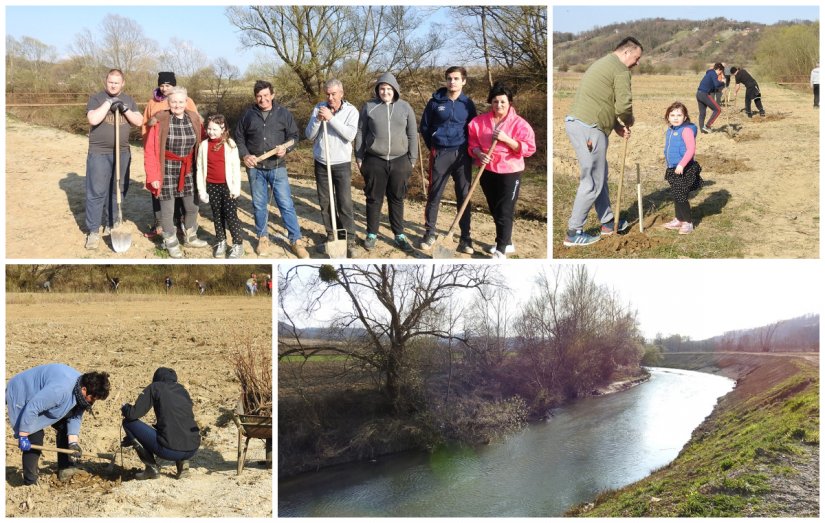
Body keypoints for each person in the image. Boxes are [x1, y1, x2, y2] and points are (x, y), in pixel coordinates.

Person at [563, 37, 642, 247]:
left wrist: (615, 125)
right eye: (636, 58)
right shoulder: (620, 70)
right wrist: (627, 120)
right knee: (592, 181)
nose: (637, 63)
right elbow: (624, 105)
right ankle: (574, 232)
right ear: (626, 53)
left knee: (600, 176)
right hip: (589, 128)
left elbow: (601, 101)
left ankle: (607, 222)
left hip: (583, 124)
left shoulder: (603, 63)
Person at [234, 80, 309, 259]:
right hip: (255, 168)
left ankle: (296, 240)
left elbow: (294, 136)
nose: (263, 99)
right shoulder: (248, 115)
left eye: (266, 95)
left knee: (286, 204)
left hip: (277, 167)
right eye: (259, 96)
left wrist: (286, 148)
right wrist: (245, 156)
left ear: (272, 95)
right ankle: (263, 238)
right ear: (255, 97)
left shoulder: (284, 114)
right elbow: (239, 138)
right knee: (259, 205)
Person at [6, 364, 110, 485]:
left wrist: (73, 443)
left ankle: (65, 468)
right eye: (92, 398)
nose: (92, 402)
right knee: (35, 437)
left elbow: (75, 416)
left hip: (44, 398)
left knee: (64, 428)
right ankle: (30, 481)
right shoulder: (60, 390)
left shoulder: (81, 393)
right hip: (24, 393)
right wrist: (23, 435)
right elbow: (32, 408)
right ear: (84, 390)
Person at [467, 83, 536, 259]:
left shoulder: (520, 124)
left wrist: (507, 140)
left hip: (510, 172)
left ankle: (501, 250)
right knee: (496, 209)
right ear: (491, 102)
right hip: (487, 170)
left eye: (503, 102)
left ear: (510, 102)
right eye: (495, 101)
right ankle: (507, 241)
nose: (499, 105)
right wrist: (478, 153)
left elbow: (529, 148)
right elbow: (472, 143)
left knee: (505, 210)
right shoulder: (478, 122)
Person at [354, 72, 419, 253]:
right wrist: (359, 157)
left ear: (395, 90)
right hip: (375, 160)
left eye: (389, 88)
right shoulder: (369, 107)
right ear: (377, 90)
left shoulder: (406, 108)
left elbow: (413, 134)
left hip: (400, 160)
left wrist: (412, 160)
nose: (385, 92)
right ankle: (372, 233)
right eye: (382, 88)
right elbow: (360, 132)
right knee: (374, 198)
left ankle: (398, 234)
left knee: (397, 198)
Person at [418, 66, 478, 254]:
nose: (452, 82)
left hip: (462, 155)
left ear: (464, 81)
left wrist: (470, 150)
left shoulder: (468, 104)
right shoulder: (435, 102)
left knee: (464, 196)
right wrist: (435, 145)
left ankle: (465, 239)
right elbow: (425, 127)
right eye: (449, 78)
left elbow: (473, 128)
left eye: (456, 78)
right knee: (434, 194)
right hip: (440, 153)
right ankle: (430, 233)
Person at [144, 87, 208, 258]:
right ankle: (170, 240)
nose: (177, 105)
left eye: (181, 101)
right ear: (168, 103)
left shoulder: (194, 118)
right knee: (167, 209)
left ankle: (190, 236)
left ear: (186, 102)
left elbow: (203, 144)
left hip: (189, 168)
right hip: (166, 169)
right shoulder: (160, 120)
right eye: (174, 101)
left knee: (192, 206)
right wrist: (153, 176)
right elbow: (150, 150)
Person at [84, 68, 143, 250]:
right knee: (97, 192)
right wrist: (109, 103)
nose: (113, 85)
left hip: (122, 152)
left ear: (122, 83)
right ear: (106, 81)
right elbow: (93, 119)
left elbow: (139, 121)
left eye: (117, 82)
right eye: (111, 81)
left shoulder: (129, 100)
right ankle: (93, 231)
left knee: (118, 190)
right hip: (99, 153)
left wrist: (124, 108)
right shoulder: (96, 98)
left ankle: (113, 224)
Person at [305, 79, 359, 257]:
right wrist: (319, 121)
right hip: (322, 162)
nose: (330, 98)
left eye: (333, 94)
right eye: (327, 94)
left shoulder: (351, 111)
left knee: (344, 202)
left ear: (341, 94)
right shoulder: (318, 108)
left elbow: (350, 135)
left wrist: (331, 119)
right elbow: (309, 135)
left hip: (341, 163)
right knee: (325, 202)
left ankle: (349, 238)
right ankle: (331, 235)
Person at [141, 72, 198, 239]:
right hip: (164, 161)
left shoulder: (191, 112)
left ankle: (184, 227)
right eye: (162, 85)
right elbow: (146, 127)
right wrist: (149, 145)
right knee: (164, 202)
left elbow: (199, 134)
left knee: (187, 203)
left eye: (168, 85)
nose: (164, 88)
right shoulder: (155, 107)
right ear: (169, 102)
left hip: (186, 165)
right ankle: (163, 228)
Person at [121, 367, 200, 480]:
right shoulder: (182, 390)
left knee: (128, 423)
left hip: (170, 451)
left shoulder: (155, 387)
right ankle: (183, 465)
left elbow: (133, 414)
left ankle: (151, 469)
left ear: (156, 379)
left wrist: (125, 408)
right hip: (192, 449)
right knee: (180, 427)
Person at [196, 114, 244, 259]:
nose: (211, 132)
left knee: (230, 216)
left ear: (223, 129)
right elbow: (200, 168)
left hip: (227, 187)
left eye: (214, 129)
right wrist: (202, 190)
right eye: (209, 128)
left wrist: (236, 188)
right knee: (217, 215)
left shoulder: (230, 144)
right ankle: (221, 241)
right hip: (212, 186)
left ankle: (237, 244)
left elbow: (236, 169)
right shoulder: (204, 145)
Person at [662, 101, 703, 235]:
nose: (675, 118)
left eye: (679, 115)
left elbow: (691, 149)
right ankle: (679, 219)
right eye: (672, 115)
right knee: (676, 194)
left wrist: (681, 164)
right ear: (668, 117)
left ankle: (688, 222)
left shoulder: (686, 130)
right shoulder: (671, 130)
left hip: (684, 169)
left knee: (681, 195)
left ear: (685, 117)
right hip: (673, 168)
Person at [696, 62, 725, 133]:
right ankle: (707, 126)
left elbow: (714, 86)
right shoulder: (713, 74)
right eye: (720, 72)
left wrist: (721, 88)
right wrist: (723, 82)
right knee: (718, 110)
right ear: (718, 69)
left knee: (702, 113)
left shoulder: (709, 73)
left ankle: (702, 130)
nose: (720, 74)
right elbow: (717, 84)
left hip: (698, 94)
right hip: (704, 94)